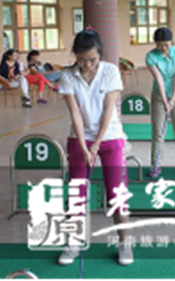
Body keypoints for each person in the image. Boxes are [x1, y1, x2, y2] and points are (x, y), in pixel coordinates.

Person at [57, 29, 132, 266]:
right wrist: (83, 145)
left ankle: (125, 242)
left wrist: (96, 144)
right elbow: (75, 113)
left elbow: (109, 111)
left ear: (100, 54)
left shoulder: (110, 71)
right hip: (80, 138)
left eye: (92, 59)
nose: (87, 65)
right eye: (82, 60)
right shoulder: (67, 75)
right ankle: (73, 243)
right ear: (75, 56)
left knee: (116, 194)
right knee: (76, 193)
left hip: (110, 136)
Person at [146, 27, 175, 178]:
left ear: (172, 42)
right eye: (159, 45)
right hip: (158, 97)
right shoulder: (150, 56)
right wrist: (165, 101)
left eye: (166, 45)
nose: (163, 48)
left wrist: (172, 99)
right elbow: (159, 79)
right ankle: (155, 165)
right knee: (158, 134)